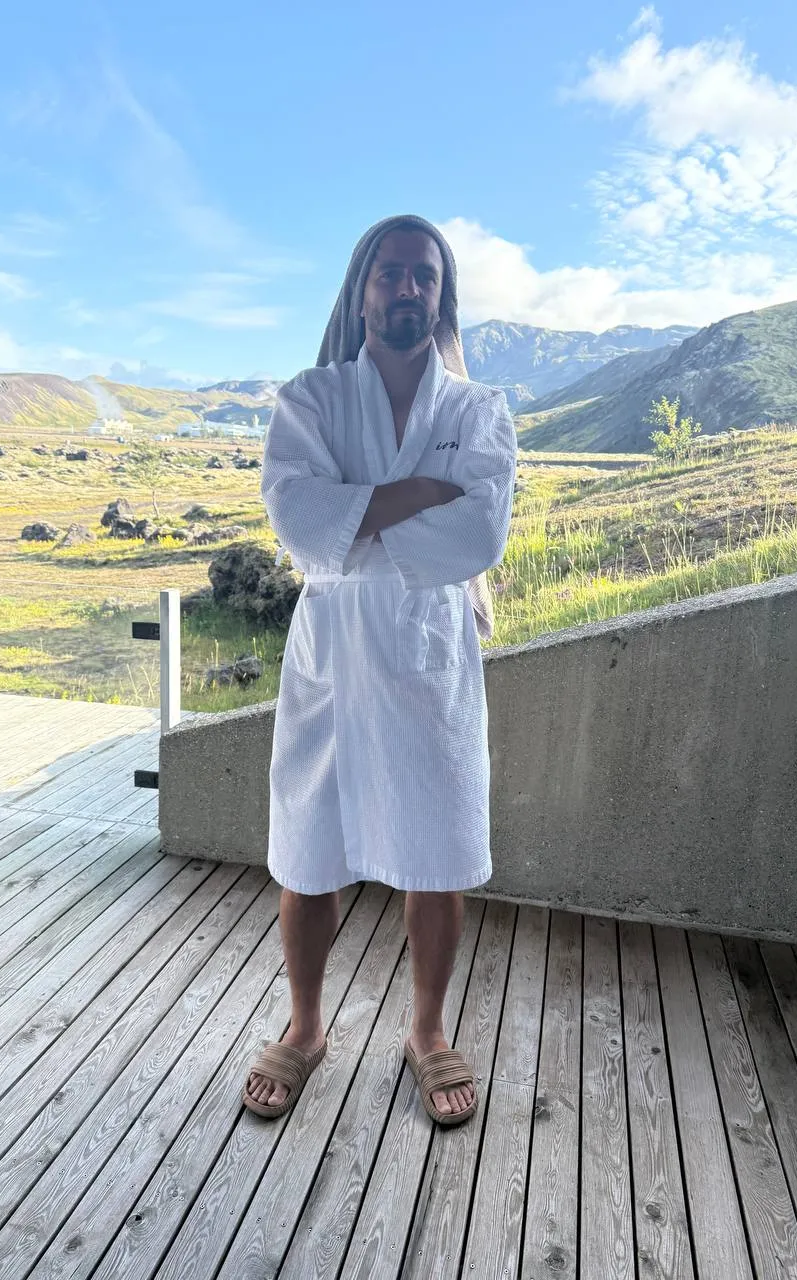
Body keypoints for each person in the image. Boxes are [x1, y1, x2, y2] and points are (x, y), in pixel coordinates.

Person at [242, 214, 516, 1127]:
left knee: (436, 852)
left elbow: (479, 534)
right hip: (332, 653)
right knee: (308, 849)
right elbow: (298, 520)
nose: (407, 289)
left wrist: (355, 517)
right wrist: (419, 496)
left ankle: (427, 1031)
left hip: (431, 651)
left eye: (423, 277)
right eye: (391, 273)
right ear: (362, 289)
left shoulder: (476, 411)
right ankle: (306, 1026)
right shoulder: (311, 401)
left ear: (441, 296)